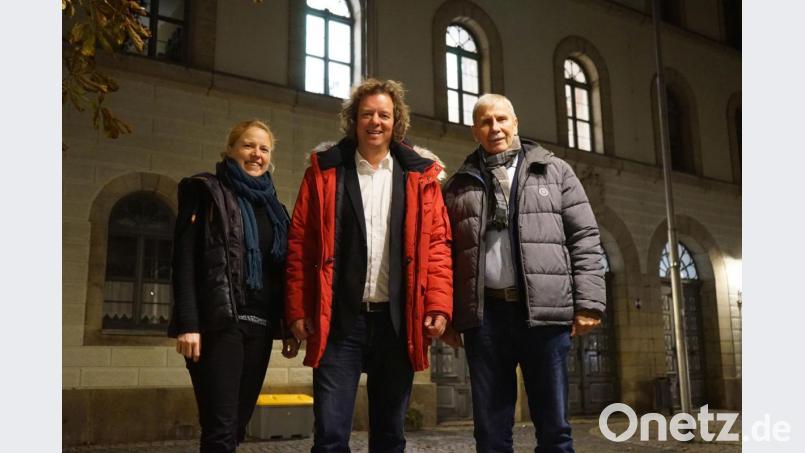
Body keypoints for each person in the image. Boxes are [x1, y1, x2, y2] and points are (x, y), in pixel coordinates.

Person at [285, 78, 453, 453]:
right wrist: (296, 308)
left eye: (384, 115)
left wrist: (439, 305)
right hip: (338, 320)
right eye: (367, 114)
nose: (375, 122)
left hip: (396, 321)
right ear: (354, 120)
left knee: (390, 436)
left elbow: (438, 246)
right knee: (330, 436)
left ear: (396, 121)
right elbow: (299, 243)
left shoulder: (420, 177)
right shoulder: (325, 171)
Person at [442, 94, 605, 453]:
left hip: (544, 315)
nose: (495, 128)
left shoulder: (555, 171)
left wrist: (589, 302)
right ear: (475, 131)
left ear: (515, 123)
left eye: (502, 119)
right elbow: (446, 254)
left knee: (554, 429)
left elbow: (584, 236)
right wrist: (447, 314)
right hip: (486, 319)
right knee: (490, 432)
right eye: (485, 122)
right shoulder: (458, 185)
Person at [168, 120, 300, 452]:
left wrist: (287, 326)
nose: (256, 154)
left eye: (264, 148)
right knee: (220, 427)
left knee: (237, 425)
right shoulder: (206, 192)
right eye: (248, 145)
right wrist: (188, 323)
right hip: (219, 323)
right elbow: (184, 260)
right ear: (230, 150)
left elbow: (281, 272)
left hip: (260, 327)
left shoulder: (275, 209)